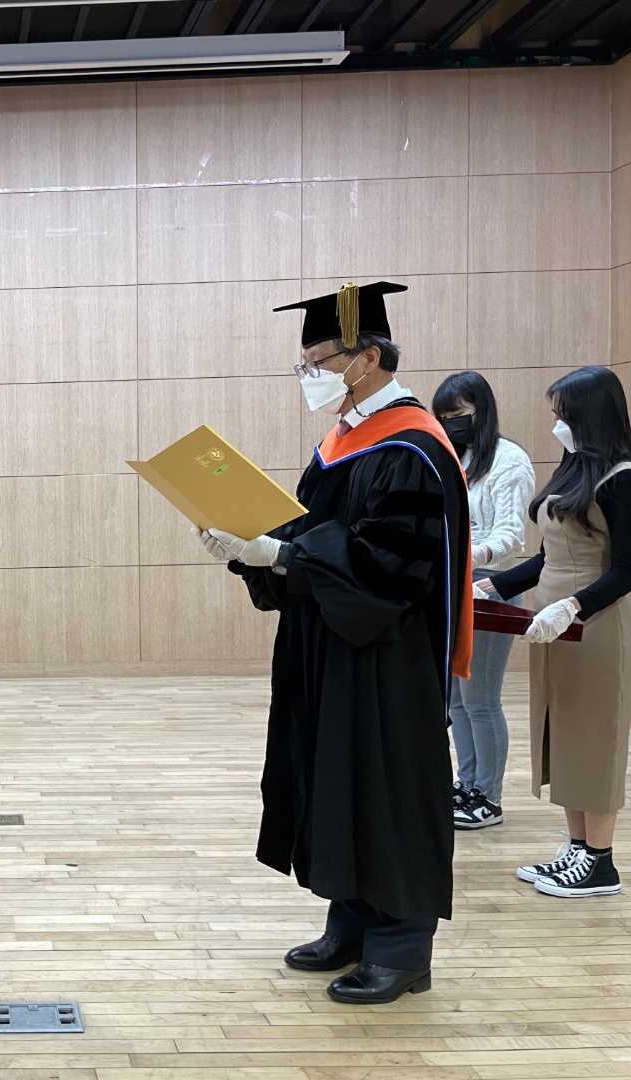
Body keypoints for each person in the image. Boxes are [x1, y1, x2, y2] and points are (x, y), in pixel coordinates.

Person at [200, 281, 473, 1006]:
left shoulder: (413, 448)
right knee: (338, 780)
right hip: (332, 646)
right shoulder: (342, 443)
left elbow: (392, 564)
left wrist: (284, 556)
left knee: (386, 789)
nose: (309, 375)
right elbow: (312, 530)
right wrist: (249, 547)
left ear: (367, 357)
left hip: (387, 655)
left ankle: (402, 948)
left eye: (318, 360)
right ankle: (351, 923)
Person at [487, 366, 631, 899]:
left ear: (591, 416)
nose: (557, 423)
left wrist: (574, 605)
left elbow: (627, 569)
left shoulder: (622, 478)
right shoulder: (574, 472)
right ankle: (577, 846)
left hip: (595, 621)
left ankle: (601, 861)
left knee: (595, 736)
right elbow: (548, 556)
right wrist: (494, 587)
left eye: (564, 414)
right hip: (550, 621)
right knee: (562, 733)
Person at [433, 373, 536, 830]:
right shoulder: (458, 458)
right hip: (455, 585)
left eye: (458, 415)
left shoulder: (510, 460)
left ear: (481, 410)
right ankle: (468, 783)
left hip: (492, 584)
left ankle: (488, 798)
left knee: (482, 699)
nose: (451, 424)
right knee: (456, 698)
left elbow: (511, 536)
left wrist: (466, 556)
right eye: (444, 417)